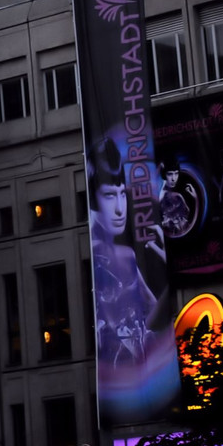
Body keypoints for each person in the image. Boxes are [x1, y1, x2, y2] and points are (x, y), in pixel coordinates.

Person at [87, 136, 169, 366]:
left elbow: (154, 319)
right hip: (115, 369)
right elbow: (155, 320)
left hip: (137, 367)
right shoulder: (105, 255)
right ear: (93, 198)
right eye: (109, 195)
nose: (119, 209)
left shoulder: (125, 255)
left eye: (122, 193)